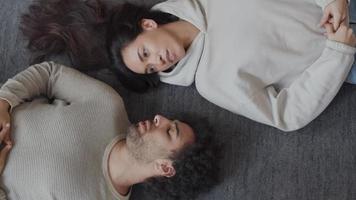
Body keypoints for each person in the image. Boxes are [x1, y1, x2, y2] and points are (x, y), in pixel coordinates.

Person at [20, 0, 356, 131]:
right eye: (151, 69)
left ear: (148, 26)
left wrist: (332, 1)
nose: (158, 63)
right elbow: (286, 115)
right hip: (345, 56)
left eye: (146, 54)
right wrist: (338, 53)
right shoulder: (212, 83)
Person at [0, 61, 219, 200]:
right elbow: (49, 75)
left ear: (165, 168)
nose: (159, 118)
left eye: (170, 131)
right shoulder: (108, 105)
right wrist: (3, 102)